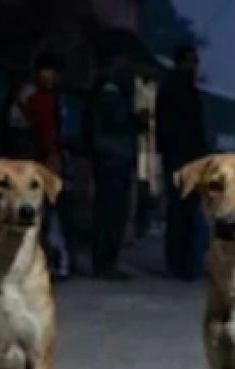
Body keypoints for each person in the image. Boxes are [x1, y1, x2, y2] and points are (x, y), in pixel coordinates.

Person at [10, 52, 71, 279]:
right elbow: (46, 130)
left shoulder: (24, 93)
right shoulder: (40, 96)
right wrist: (53, 157)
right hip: (34, 159)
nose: (53, 77)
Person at [156, 43, 208, 281]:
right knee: (190, 215)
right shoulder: (187, 91)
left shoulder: (166, 88)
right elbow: (194, 131)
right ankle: (190, 265)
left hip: (173, 159)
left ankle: (176, 263)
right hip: (188, 160)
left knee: (177, 214)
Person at [88, 51, 140, 280]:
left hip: (112, 157)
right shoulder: (110, 93)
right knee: (110, 212)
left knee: (111, 212)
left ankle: (106, 261)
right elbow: (115, 122)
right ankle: (104, 262)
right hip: (112, 157)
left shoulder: (110, 92)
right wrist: (134, 118)